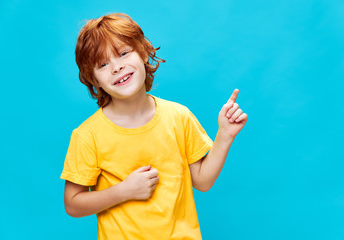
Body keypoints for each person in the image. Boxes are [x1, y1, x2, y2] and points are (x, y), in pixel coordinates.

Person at [60, 13, 248, 240]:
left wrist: (225, 135)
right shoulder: (88, 135)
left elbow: (202, 181)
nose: (116, 68)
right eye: (103, 64)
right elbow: (72, 204)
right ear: (94, 80)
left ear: (143, 53)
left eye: (123, 54)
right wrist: (123, 191)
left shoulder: (178, 116)